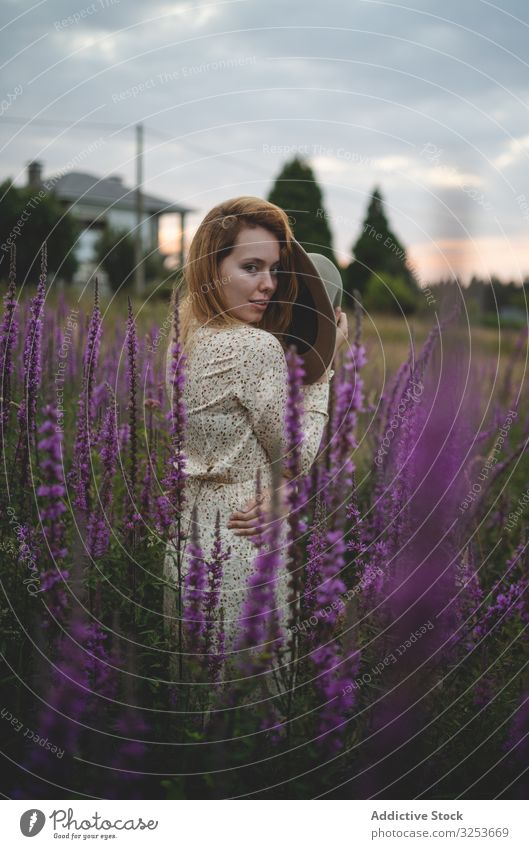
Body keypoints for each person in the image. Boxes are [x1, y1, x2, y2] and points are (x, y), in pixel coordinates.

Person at [163, 196, 348, 683]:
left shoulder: (186, 335)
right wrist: (324, 373)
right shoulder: (255, 348)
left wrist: (281, 494)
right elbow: (298, 452)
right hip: (241, 554)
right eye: (251, 267)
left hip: (186, 547)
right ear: (211, 268)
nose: (267, 284)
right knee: (250, 726)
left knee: (194, 721)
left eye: (273, 270)